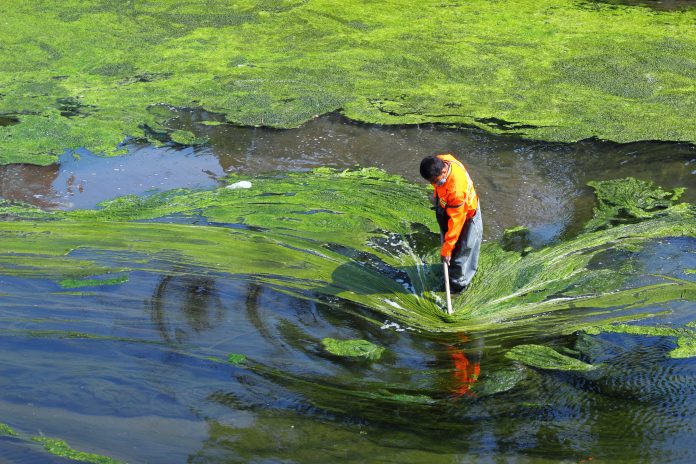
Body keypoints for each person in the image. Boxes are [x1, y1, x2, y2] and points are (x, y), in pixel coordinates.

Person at [419, 153, 482, 292]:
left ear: (444, 171)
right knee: (448, 244)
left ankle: (458, 284)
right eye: (430, 182)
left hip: (466, 215)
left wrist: (447, 250)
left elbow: (456, 222)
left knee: (463, 248)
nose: (433, 184)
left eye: (435, 181)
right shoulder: (443, 160)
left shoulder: (457, 189)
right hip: (445, 203)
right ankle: (448, 269)